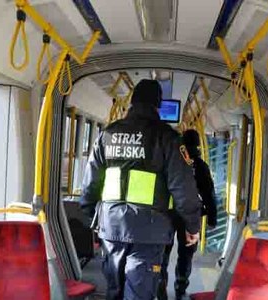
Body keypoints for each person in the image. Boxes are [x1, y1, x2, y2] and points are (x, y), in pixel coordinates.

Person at [80, 79, 202, 300]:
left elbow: (90, 185)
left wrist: (95, 220)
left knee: (113, 291)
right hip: (150, 232)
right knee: (139, 293)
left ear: (132, 101)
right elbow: (183, 188)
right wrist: (192, 226)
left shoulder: (107, 134)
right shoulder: (169, 138)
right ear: (158, 104)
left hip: (112, 227)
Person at [158, 129, 218, 300]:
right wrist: (212, 218)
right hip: (191, 217)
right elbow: (209, 194)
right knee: (186, 255)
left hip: (168, 214)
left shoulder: (171, 163)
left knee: (163, 253)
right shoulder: (200, 166)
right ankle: (180, 288)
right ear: (199, 145)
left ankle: (160, 287)